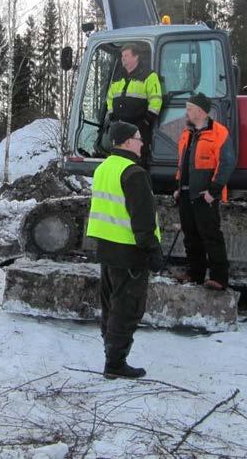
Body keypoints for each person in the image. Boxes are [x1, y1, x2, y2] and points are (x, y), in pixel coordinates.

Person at [86, 121, 164, 379]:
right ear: (128, 141)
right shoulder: (134, 173)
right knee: (127, 308)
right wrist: (153, 250)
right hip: (129, 252)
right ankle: (116, 363)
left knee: (110, 306)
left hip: (107, 250)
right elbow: (141, 220)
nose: (143, 143)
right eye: (139, 138)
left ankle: (111, 354)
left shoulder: (103, 169)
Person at [173, 92, 236, 290]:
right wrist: (178, 189)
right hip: (185, 193)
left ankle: (219, 278)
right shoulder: (187, 133)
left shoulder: (219, 133)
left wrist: (213, 191)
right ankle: (195, 273)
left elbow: (227, 164)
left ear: (200, 111)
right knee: (190, 235)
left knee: (211, 236)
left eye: (189, 108)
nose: (187, 112)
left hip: (204, 196)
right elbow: (182, 165)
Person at [106, 43, 163, 166]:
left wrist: (147, 121)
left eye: (126, 55)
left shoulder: (149, 76)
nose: (123, 58)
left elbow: (156, 99)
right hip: (120, 128)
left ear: (136, 57)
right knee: (119, 161)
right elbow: (109, 97)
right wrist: (111, 115)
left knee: (136, 163)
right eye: (122, 56)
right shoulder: (117, 77)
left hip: (138, 129)